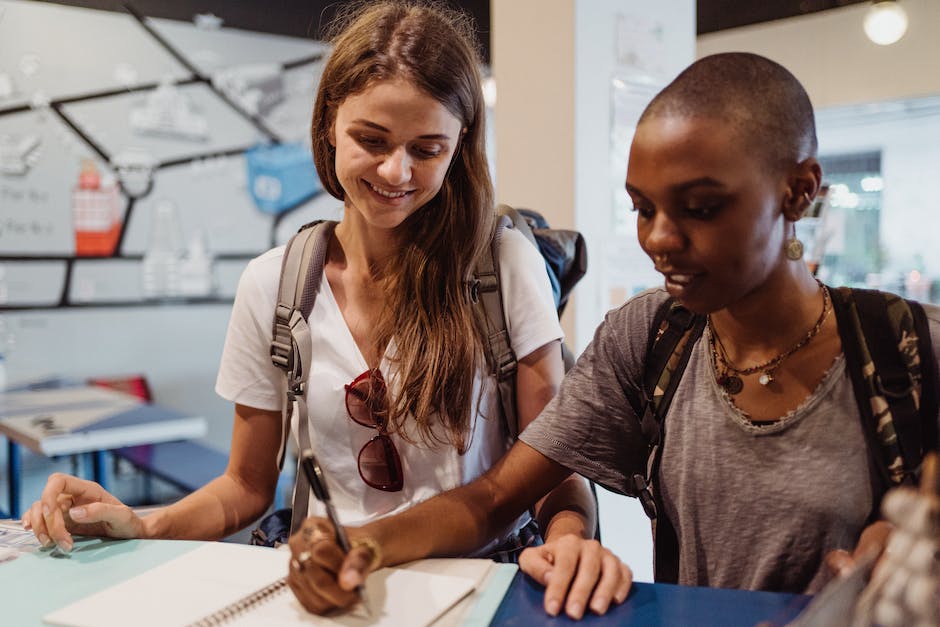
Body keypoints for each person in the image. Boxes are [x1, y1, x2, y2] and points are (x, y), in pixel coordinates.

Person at [22, 0, 629, 617]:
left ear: (460, 146)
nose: (397, 170)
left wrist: (568, 541)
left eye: (428, 148)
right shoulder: (275, 285)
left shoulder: (502, 266)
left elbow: (551, 466)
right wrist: (145, 525)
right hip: (332, 594)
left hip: (480, 590)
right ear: (327, 127)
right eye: (372, 140)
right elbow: (246, 486)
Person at [283, 50, 940, 616]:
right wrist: (363, 546)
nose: (659, 238)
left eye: (701, 208)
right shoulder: (651, 336)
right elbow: (495, 494)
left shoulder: (910, 349)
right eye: (642, 208)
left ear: (798, 192)